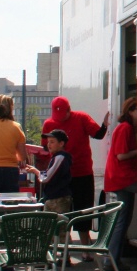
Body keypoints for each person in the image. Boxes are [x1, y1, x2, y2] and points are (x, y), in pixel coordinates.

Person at [41, 97, 108, 253]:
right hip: (61, 176)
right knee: (60, 212)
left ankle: (85, 248)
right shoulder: (49, 124)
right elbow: (45, 148)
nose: (60, 119)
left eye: (63, 115)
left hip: (82, 172)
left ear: (69, 109)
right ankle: (64, 249)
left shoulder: (81, 117)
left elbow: (97, 134)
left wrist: (105, 125)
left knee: (83, 210)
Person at [103, 97, 137, 271]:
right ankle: (112, 260)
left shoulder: (123, 128)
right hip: (124, 178)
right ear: (131, 111)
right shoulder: (126, 128)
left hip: (119, 178)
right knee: (123, 220)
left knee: (122, 219)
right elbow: (121, 155)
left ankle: (112, 258)